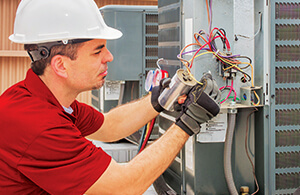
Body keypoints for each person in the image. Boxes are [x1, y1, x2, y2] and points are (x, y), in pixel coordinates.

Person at [0, 0, 221, 194]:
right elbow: (122, 187)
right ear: (61, 65)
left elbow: (109, 126)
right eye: (98, 51)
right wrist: (188, 123)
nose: (110, 56)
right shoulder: (37, 125)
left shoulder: (49, 101)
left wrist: (160, 99)